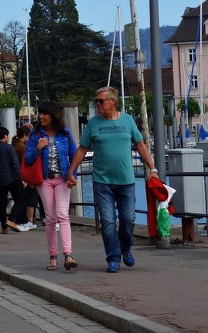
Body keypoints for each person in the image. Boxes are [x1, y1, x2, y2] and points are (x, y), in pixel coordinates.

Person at [67, 86, 159, 273]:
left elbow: (140, 145)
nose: (98, 104)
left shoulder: (127, 121)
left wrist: (153, 168)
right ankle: (113, 257)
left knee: (128, 219)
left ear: (112, 101)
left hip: (126, 180)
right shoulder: (93, 124)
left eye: (101, 101)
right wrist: (71, 171)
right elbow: (82, 149)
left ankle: (126, 249)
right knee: (108, 221)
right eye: (97, 101)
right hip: (102, 181)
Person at [25, 105, 78, 271]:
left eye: (45, 113)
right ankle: (53, 256)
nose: (41, 116)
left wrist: (72, 175)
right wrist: (38, 148)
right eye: (40, 113)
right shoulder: (35, 135)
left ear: (53, 115)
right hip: (45, 180)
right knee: (50, 218)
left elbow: (74, 155)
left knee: (63, 215)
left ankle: (68, 254)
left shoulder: (65, 133)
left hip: (62, 178)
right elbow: (27, 159)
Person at [0, 127, 23, 234]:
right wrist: (21, 178)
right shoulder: (9, 148)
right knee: (19, 199)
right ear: (5, 136)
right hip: (13, 177)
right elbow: (16, 164)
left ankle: (4, 227)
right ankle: (11, 220)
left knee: (2, 203)